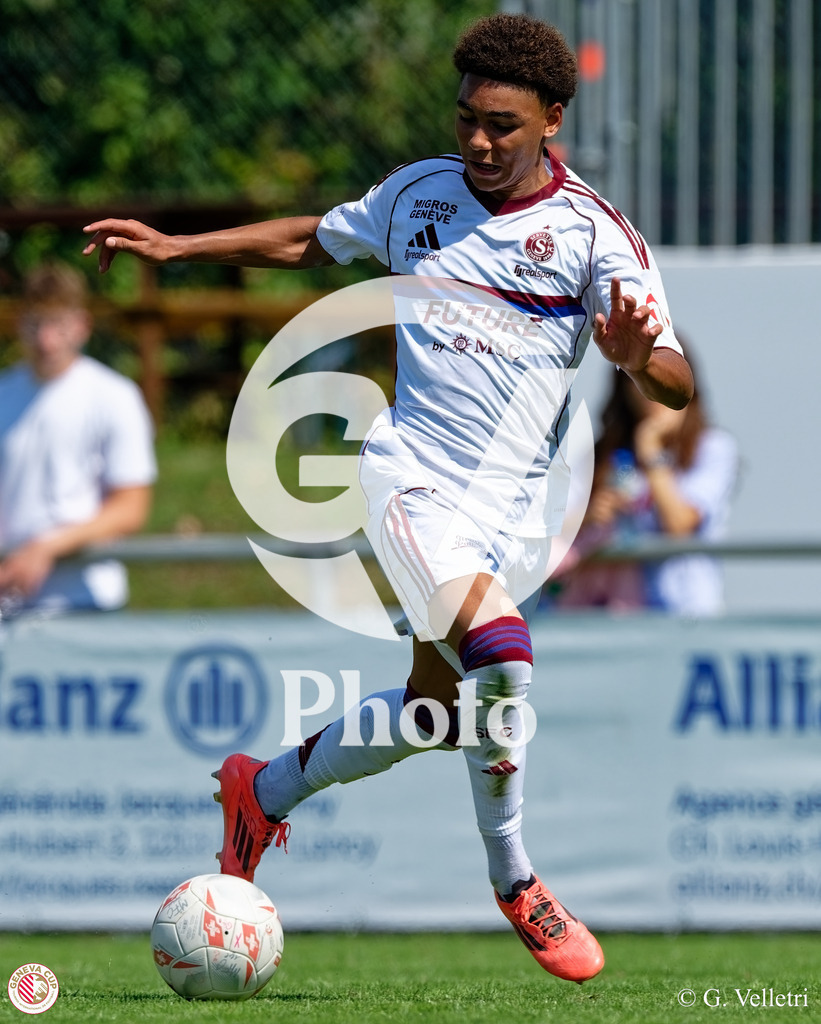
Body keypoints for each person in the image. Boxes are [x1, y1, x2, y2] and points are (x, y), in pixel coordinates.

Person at [83, 13, 693, 983]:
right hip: (407, 474)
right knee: (503, 650)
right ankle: (516, 879)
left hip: (510, 516)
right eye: (466, 121)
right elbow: (312, 239)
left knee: (436, 711)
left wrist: (631, 357)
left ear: (551, 121)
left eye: (501, 124)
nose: (479, 142)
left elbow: (672, 378)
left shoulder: (591, 236)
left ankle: (263, 790)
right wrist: (177, 247)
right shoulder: (419, 193)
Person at [0, 262, 156, 614]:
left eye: (58, 324)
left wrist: (46, 548)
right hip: (9, 606)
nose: (46, 339)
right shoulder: (3, 393)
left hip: (86, 604)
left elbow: (131, 507)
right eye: (36, 323)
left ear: (82, 325)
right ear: (19, 323)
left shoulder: (114, 395)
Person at [554, 361, 738, 614]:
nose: (652, 388)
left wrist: (650, 451)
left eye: (666, 376)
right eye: (639, 377)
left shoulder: (713, 447)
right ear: (624, 388)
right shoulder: (601, 454)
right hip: (612, 616)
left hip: (688, 613)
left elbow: (680, 523)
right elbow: (550, 533)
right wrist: (589, 516)